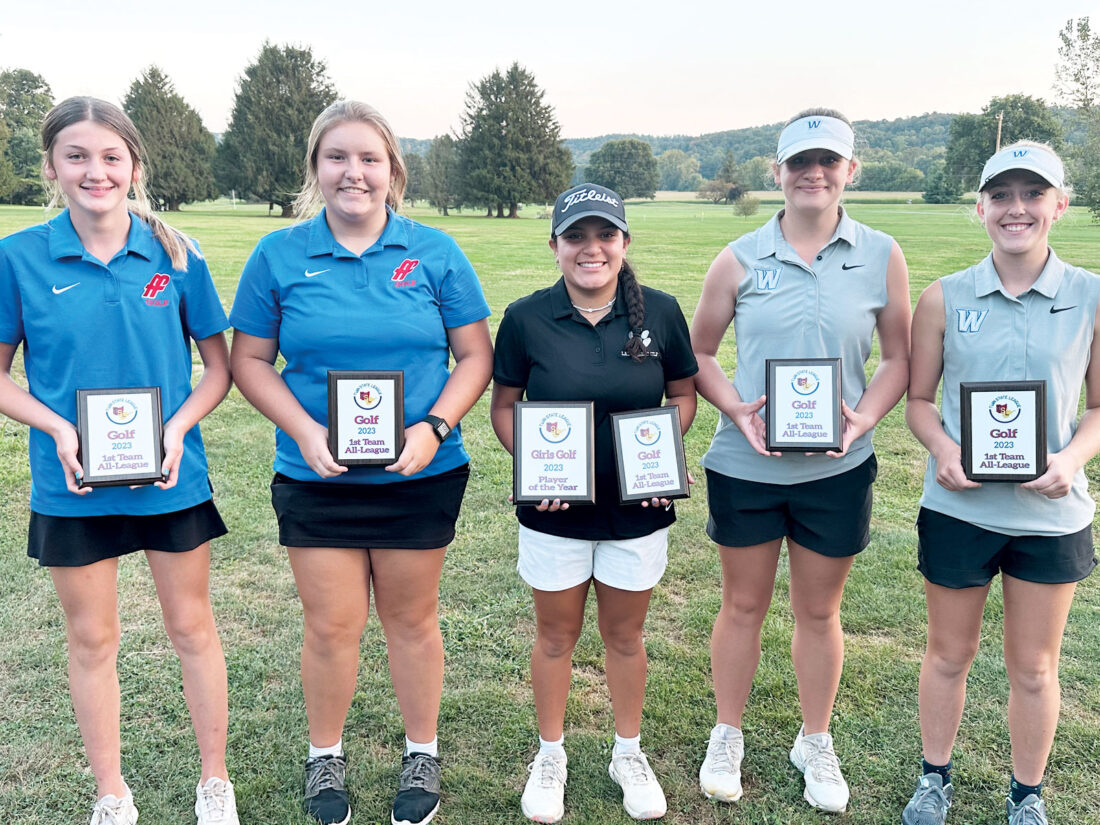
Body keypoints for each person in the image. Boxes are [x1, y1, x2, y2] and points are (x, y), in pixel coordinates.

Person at [229, 100, 492, 825]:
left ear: (392, 171)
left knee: (413, 620)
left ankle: (421, 750)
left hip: (420, 471)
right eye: (338, 157)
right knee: (331, 625)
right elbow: (250, 359)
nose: (354, 172)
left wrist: (436, 427)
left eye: (369, 158)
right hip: (318, 473)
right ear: (316, 167)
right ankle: (325, 757)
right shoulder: (279, 255)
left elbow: (475, 355)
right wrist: (304, 429)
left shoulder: (434, 252)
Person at [0, 97, 237, 825]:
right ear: (51, 167)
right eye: (77, 155)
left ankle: (214, 781)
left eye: (111, 156)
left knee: (192, 627)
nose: (95, 170)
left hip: (171, 477)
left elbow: (219, 369)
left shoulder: (176, 253)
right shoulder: (18, 257)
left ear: (134, 164)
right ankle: (112, 791)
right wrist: (58, 429)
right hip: (70, 484)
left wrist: (177, 429)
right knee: (92, 637)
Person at [690, 109, 912, 813]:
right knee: (744, 603)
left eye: (828, 161)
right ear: (778, 172)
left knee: (819, 611)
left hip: (838, 468)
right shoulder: (740, 256)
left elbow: (901, 357)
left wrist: (864, 418)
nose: (814, 173)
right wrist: (737, 408)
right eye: (800, 162)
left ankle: (814, 737)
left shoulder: (882, 254)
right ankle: (728, 731)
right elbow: (697, 352)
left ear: (850, 170)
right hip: (746, 464)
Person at [902, 142, 1099, 825]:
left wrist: (1071, 459)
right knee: (948, 654)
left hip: (1052, 517)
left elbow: (1099, 409)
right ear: (981, 207)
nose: (1017, 208)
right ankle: (934, 778)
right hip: (960, 507)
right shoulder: (944, 297)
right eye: (1003, 195)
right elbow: (919, 402)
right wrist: (944, 448)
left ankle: (1027, 794)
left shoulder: (1093, 296)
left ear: (1059, 205)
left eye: (1033, 194)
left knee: (1035, 668)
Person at [490, 183, 698, 822]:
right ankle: (550, 752)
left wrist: (662, 456)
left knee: (625, 636)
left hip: (637, 509)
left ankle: (626, 751)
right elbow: (504, 405)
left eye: (604, 235)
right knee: (555, 637)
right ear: (554, 245)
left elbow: (683, 396)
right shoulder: (526, 318)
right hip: (556, 511)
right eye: (575, 236)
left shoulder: (660, 313)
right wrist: (532, 464)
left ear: (624, 243)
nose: (591, 249)